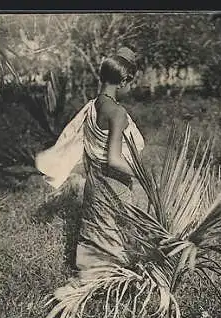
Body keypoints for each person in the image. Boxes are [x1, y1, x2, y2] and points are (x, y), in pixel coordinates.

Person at [36, 47, 145, 271]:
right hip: (115, 186)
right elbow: (114, 159)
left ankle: (92, 274)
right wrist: (142, 175)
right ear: (123, 82)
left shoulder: (93, 106)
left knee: (97, 229)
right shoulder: (117, 112)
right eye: (131, 83)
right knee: (117, 234)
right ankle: (111, 280)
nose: (130, 89)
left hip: (95, 184)